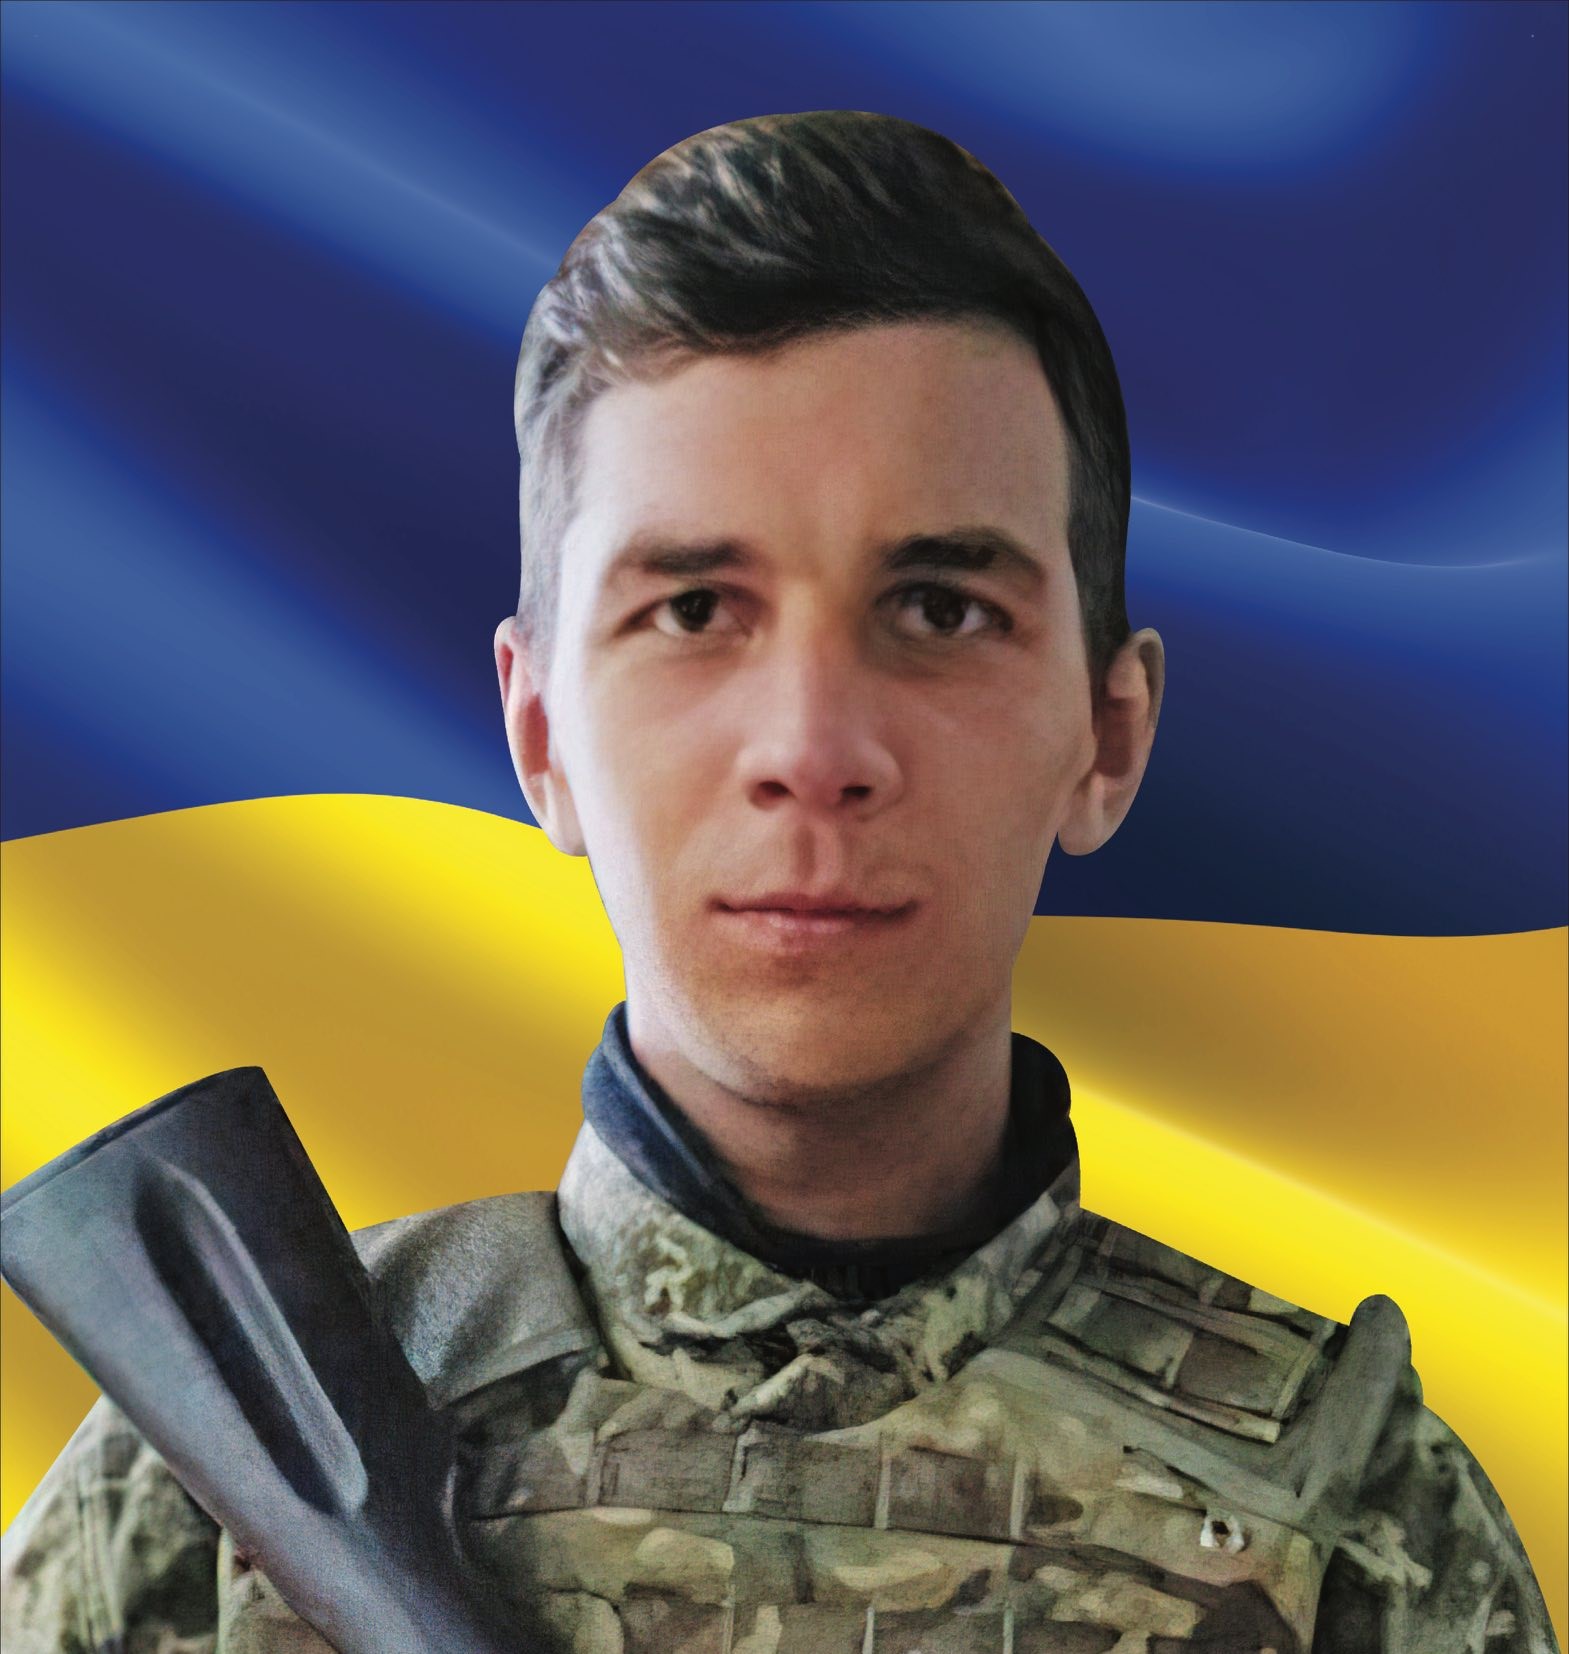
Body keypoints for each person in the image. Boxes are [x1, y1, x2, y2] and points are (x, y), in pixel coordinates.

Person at [2, 111, 1556, 1654]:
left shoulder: (1356, 1516)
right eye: (693, 609)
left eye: (938, 608)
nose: (812, 748)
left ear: (1108, 732)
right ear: (539, 736)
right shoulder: (206, 1480)